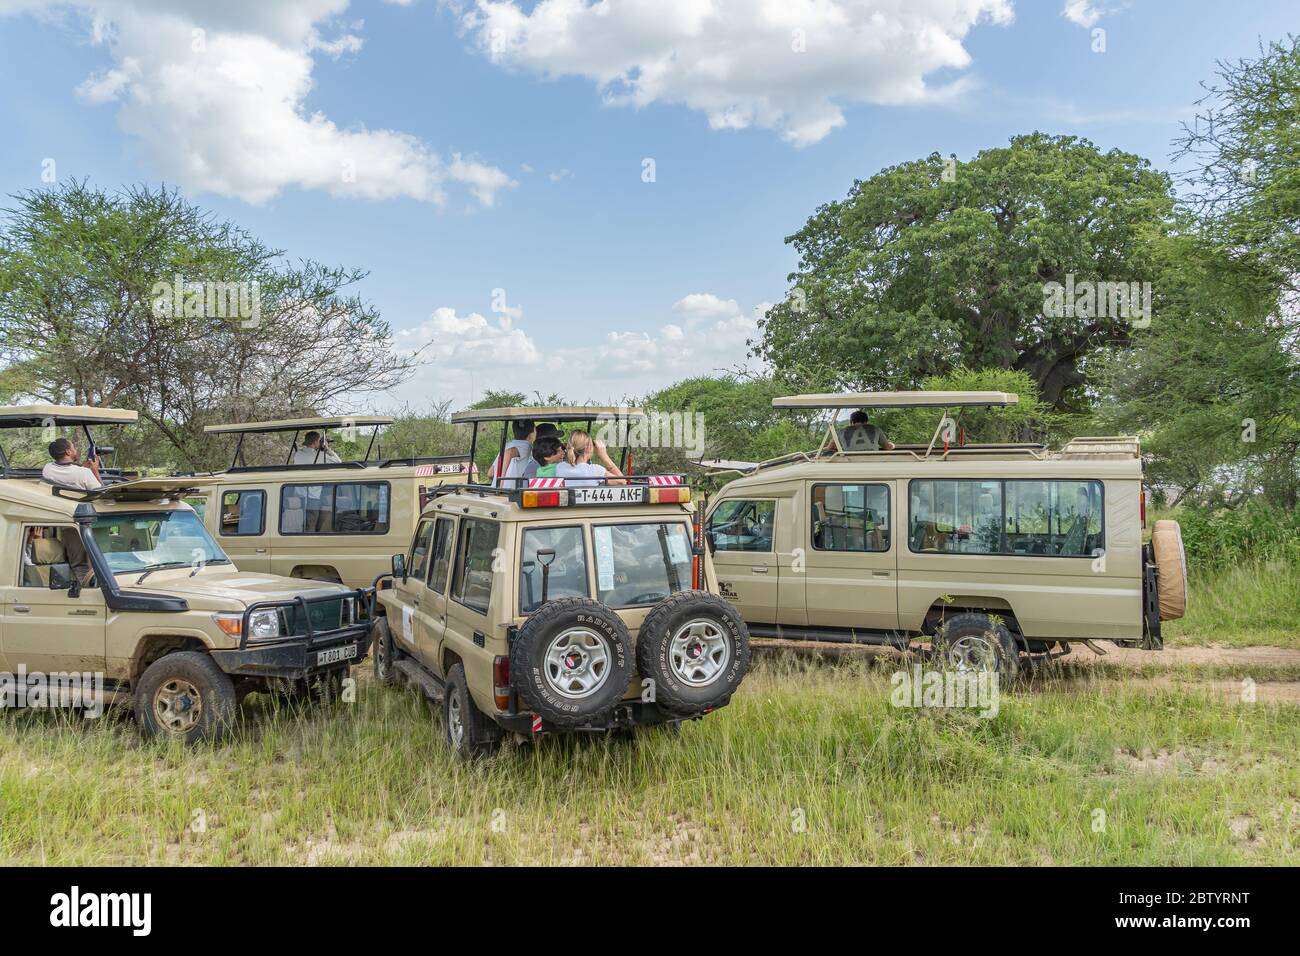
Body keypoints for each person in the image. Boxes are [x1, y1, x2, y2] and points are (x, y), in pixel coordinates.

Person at [555, 431, 627, 487]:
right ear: (588, 448)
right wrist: (604, 456)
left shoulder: (560, 467)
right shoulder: (596, 470)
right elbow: (622, 482)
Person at [490, 419, 536, 489]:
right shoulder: (526, 446)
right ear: (531, 433)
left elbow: (490, 473)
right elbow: (509, 453)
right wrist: (501, 481)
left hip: (495, 491)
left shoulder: (506, 446)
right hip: (509, 492)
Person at [824, 410, 894, 452]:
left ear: (851, 422)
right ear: (866, 421)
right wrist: (892, 445)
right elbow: (887, 447)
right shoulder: (875, 429)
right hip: (873, 462)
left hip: (849, 463)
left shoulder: (841, 431)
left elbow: (830, 448)